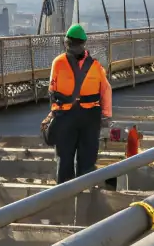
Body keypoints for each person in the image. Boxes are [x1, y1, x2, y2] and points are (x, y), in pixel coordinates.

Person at [47, 24, 112, 184]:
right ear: (83, 43)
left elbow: (52, 91)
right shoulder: (95, 66)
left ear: (66, 43)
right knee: (86, 160)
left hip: (66, 116)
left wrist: (54, 113)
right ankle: (84, 190)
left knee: (65, 159)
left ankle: (65, 193)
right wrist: (106, 115)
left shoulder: (58, 62)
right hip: (89, 117)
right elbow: (105, 90)